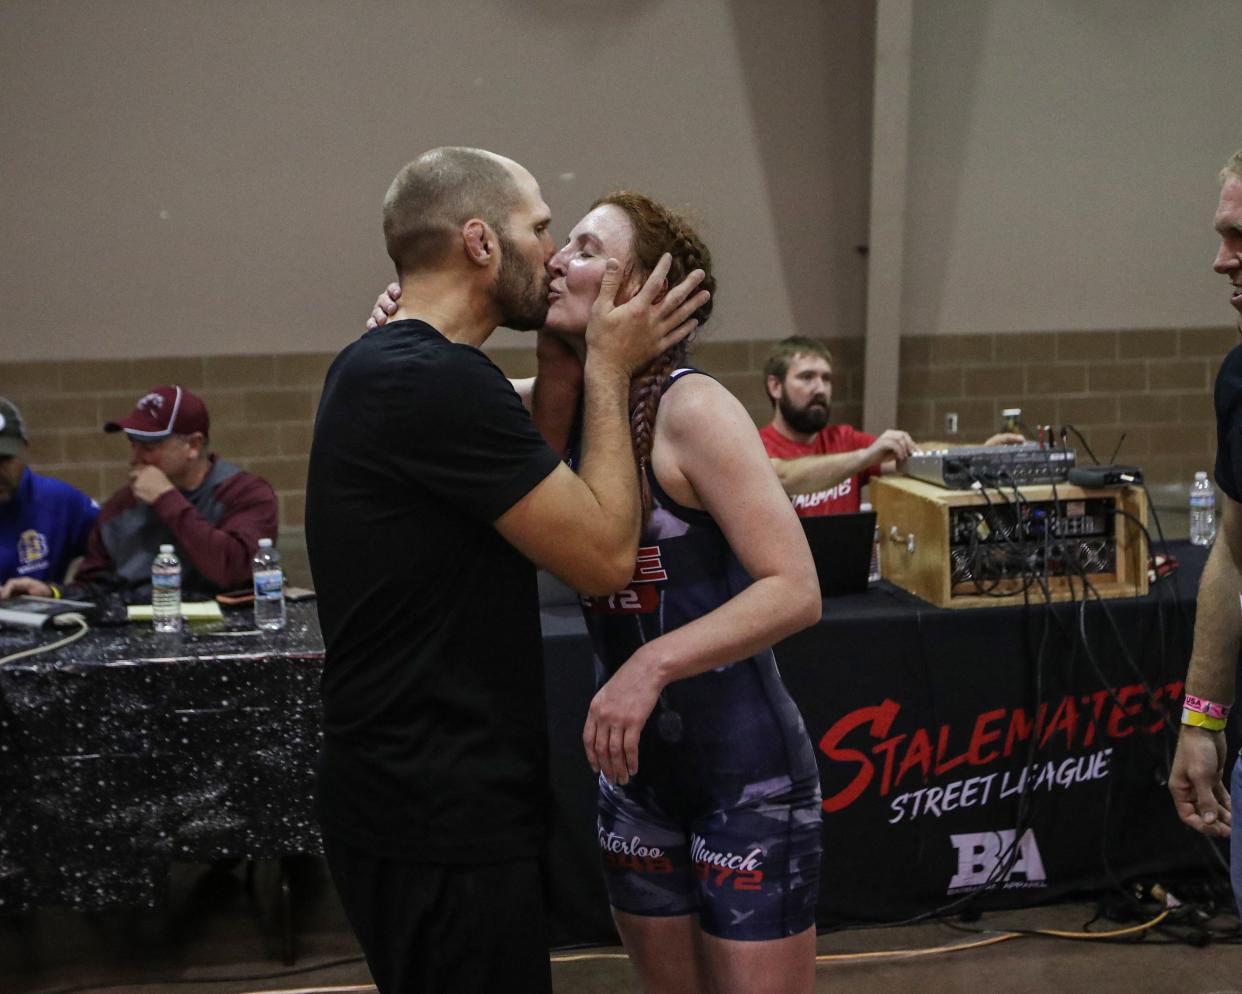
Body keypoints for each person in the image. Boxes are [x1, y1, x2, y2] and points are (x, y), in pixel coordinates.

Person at [375, 192, 822, 994]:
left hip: (744, 778)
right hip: (635, 781)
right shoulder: (562, 406)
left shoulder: (695, 408)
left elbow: (795, 590)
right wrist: (404, 330)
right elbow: (440, 395)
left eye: (583, 249)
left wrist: (650, 667)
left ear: (642, 293)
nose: (555, 260)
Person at [308, 148, 707, 994]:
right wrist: (608, 364)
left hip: (413, 796)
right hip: (435, 811)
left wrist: (569, 358)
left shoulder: (391, 366)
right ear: (482, 243)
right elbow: (603, 559)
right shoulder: (435, 383)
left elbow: (532, 451)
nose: (554, 251)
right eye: (539, 228)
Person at [1, 384, 277, 603]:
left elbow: (236, 570)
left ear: (193, 445)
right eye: (132, 444)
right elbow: (96, 587)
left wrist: (167, 500)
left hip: (232, 640)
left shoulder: (245, 493)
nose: (135, 459)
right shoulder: (120, 507)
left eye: (149, 447)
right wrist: (52, 593)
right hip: (144, 645)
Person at [1169, 147, 1242, 911]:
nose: (1223, 262)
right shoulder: (1240, 377)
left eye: (1240, 236)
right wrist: (1202, 718)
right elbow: (1234, 551)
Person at [758, 336, 1022, 516]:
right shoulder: (756, 445)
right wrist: (864, 457)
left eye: (826, 379)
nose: (820, 388)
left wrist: (977, 452)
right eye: (807, 377)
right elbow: (782, 476)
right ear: (775, 386)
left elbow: (916, 453)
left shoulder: (844, 439)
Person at [0, 396, 98, 587]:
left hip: (36, 614)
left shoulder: (58, 502)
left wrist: (59, 592)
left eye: (5, 459)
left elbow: (119, 553)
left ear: (23, 449)